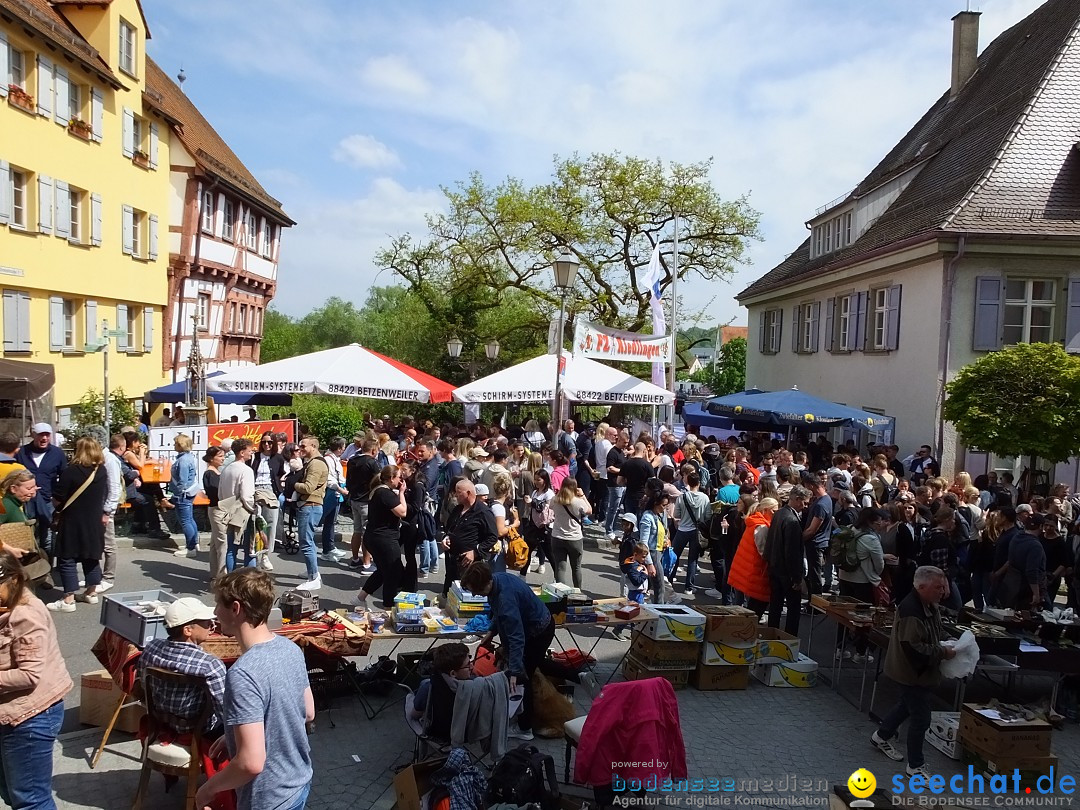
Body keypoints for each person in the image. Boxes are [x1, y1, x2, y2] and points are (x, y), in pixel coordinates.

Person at [198, 569, 314, 810]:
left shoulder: (242, 674)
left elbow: (250, 763)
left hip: (268, 798)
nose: (215, 612)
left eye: (218, 604)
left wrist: (208, 789)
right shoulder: (289, 648)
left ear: (236, 608)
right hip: (298, 784)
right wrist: (234, 733)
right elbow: (309, 712)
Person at [0, 549, 72, 809]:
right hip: (10, 712)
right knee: (12, 792)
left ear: (14, 581)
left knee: (30, 800)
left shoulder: (25, 614)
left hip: (31, 717)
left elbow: (29, 674)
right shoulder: (5, 604)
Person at [871, 565, 956, 779]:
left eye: (943, 586)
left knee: (907, 707)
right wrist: (942, 652)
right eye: (938, 587)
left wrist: (948, 639)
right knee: (921, 718)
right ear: (921, 586)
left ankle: (881, 736)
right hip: (911, 673)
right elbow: (913, 648)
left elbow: (935, 630)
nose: (943, 591)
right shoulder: (911, 609)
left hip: (917, 673)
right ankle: (915, 767)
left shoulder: (929, 604)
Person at [466, 562, 556, 743]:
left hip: (539, 632)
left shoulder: (505, 599)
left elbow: (517, 638)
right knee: (527, 668)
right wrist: (492, 631)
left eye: (476, 591)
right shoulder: (498, 579)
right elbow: (498, 613)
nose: (475, 595)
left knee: (524, 677)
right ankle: (579, 675)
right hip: (533, 626)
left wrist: (515, 672)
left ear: (486, 584)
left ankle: (525, 728)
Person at [139, 597, 227, 736]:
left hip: (158, 721)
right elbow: (225, 710)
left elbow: (141, 685)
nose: (211, 625)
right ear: (187, 630)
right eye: (206, 622)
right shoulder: (211, 665)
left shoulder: (152, 647)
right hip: (198, 730)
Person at [47, 437, 108, 613]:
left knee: (67, 558)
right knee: (91, 557)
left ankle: (68, 600)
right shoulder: (101, 471)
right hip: (94, 522)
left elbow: (58, 498)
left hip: (73, 521)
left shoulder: (71, 471)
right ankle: (91, 593)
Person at [835, 508, 889, 663]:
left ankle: (840, 648)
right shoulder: (871, 539)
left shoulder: (850, 530)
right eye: (878, 520)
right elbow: (879, 564)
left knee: (844, 616)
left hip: (844, 578)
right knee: (863, 619)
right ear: (870, 521)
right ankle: (860, 652)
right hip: (863, 582)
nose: (880, 522)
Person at [358, 466, 408, 609]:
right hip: (384, 539)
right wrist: (402, 494)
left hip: (375, 537)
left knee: (383, 570)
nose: (400, 481)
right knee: (393, 573)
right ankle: (388, 607)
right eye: (399, 477)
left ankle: (361, 598)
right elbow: (402, 512)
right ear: (392, 478)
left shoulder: (379, 491)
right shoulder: (385, 493)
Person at [16, 423, 67, 557]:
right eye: (41, 435)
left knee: (48, 537)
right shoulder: (21, 453)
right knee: (27, 536)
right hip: (26, 501)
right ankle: (30, 568)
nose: (44, 438)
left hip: (48, 501)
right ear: (33, 435)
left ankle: (47, 568)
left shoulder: (57, 453)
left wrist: (58, 499)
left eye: (47, 435)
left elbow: (64, 476)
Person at [441, 480, 498, 598]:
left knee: (466, 594)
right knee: (449, 593)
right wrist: (445, 538)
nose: (456, 495)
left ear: (468, 493)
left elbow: (492, 536)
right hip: (452, 560)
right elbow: (450, 529)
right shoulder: (458, 509)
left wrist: (475, 551)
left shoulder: (483, 512)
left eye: (458, 492)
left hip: (469, 563)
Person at [765, 486, 809, 636]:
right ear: (797, 500)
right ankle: (789, 638)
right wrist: (797, 578)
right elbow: (792, 552)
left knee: (775, 606)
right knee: (793, 608)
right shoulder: (791, 520)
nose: (805, 506)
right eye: (805, 503)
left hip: (775, 567)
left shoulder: (779, 514)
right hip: (786, 572)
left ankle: (772, 634)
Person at [410, 642, 474, 741]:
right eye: (468, 665)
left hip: (439, 733)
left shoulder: (429, 687)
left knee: (410, 700)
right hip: (469, 733)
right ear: (453, 673)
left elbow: (414, 715)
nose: (472, 667)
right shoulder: (477, 686)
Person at [728, 498, 777, 617]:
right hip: (756, 571)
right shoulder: (762, 527)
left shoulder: (754, 522)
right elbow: (764, 552)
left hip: (747, 568)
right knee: (755, 609)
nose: (776, 514)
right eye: (774, 511)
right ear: (766, 510)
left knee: (748, 606)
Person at [292, 437, 329, 591]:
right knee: (309, 542)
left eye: (303, 445)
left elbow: (308, 487)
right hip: (310, 505)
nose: (300, 448)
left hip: (310, 506)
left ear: (313, 446)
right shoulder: (313, 462)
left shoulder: (316, 464)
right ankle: (312, 572)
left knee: (306, 542)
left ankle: (313, 577)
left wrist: (292, 483)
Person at [247, 433, 285, 573]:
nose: (266, 445)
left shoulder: (278, 458)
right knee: (256, 524)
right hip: (255, 490)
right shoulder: (255, 457)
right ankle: (255, 556)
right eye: (264, 442)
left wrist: (279, 489)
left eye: (269, 442)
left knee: (271, 523)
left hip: (270, 492)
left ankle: (265, 555)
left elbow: (280, 474)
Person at [220, 439, 258, 571]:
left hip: (229, 511)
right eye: (249, 450)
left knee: (231, 548)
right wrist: (254, 509)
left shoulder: (226, 469)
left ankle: (230, 580)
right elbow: (247, 495)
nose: (251, 452)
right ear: (242, 452)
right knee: (250, 548)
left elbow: (220, 493)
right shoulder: (246, 470)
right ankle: (249, 582)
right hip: (244, 513)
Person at [670, 470, 710, 594]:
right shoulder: (705, 498)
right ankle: (689, 586)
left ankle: (669, 580)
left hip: (682, 529)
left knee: (674, 555)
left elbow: (676, 514)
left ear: (688, 482)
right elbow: (708, 515)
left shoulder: (682, 497)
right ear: (698, 483)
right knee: (693, 559)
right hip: (697, 531)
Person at [550, 477, 591, 589]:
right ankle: (578, 592)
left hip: (557, 536)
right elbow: (590, 510)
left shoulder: (555, 499)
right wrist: (582, 495)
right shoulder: (578, 502)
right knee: (576, 567)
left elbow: (550, 507)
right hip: (574, 538)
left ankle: (561, 595)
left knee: (560, 568)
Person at [346, 439, 381, 572]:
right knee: (367, 532)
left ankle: (355, 559)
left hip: (354, 499)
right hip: (366, 501)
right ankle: (367, 563)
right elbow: (379, 480)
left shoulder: (352, 461)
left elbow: (348, 480)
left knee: (357, 530)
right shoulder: (372, 462)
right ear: (373, 450)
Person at [802, 473, 833, 603]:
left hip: (816, 544)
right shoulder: (826, 499)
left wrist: (797, 540)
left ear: (811, 486)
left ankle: (815, 604)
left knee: (814, 576)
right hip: (818, 542)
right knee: (813, 574)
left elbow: (812, 530)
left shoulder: (821, 505)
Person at [638, 490, 674, 605]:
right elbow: (644, 543)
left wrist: (666, 540)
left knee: (658, 587)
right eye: (663, 505)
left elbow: (663, 531)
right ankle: (659, 613)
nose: (665, 508)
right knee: (660, 588)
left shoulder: (659, 515)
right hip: (652, 554)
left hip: (659, 553)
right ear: (655, 503)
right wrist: (649, 563)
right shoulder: (647, 518)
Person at [169, 434, 201, 559]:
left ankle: (191, 547)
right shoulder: (188, 457)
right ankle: (194, 543)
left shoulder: (182, 461)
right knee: (189, 519)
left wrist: (177, 493)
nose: (173, 445)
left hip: (183, 493)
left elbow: (182, 480)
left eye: (175, 443)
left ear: (180, 445)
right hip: (189, 492)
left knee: (185, 520)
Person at [319, 437, 349, 563]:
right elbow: (329, 479)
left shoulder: (335, 459)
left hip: (337, 492)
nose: (344, 449)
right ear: (339, 448)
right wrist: (340, 489)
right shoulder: (328, 459)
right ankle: (327, 549)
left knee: (331, 522)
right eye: (343, 447)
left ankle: (330, 548)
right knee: (326, 521)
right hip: (332, 492)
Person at [523, 469, 555, 577]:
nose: (536, 482)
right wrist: (529, 503)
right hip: (533, 526)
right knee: (527, 551)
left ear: (545, 480)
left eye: (539, 479)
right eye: (535, 479)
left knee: (549, 554)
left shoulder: (549, 493)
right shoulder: (535, 492)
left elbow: (545, 509)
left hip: (544, 527)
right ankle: (522, 576)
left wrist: (532, 502)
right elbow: (532, 508)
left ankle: (558, 577)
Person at [202, 446, 227, 580]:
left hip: (218, 508)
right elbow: (213, 492)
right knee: (222, 543)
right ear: (212, 458)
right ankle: (222, 575)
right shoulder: (210, 474)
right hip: (217, 508)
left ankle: (215, 572)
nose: (223, 458)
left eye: (223, 456)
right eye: (220, 456)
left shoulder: (216, 472)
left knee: (215, 542)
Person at [489, 473, 519, 573]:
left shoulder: (493, 503)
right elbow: (500, 531)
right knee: (498, 575)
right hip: (495, 548)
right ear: (508, 490)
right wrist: (515, 523)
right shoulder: (499, 508)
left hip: (492, 546)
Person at [618, 442, 655, 518]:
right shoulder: (647, 465)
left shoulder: (626, 463)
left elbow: (619, 481)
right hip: (643, 496)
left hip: (629, 495)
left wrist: (626, 482)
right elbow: (653, 482)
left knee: (629, 520)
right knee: (641, 520)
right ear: (644, 450)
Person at [620, 540, 653, 605]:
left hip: (639, 592)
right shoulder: (632, 567)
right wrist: (645, 574)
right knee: (637, 608)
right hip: (636, 593)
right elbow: (636, 581)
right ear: (635, 554)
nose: (644, 559)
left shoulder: (636, 565)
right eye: (643, 557)